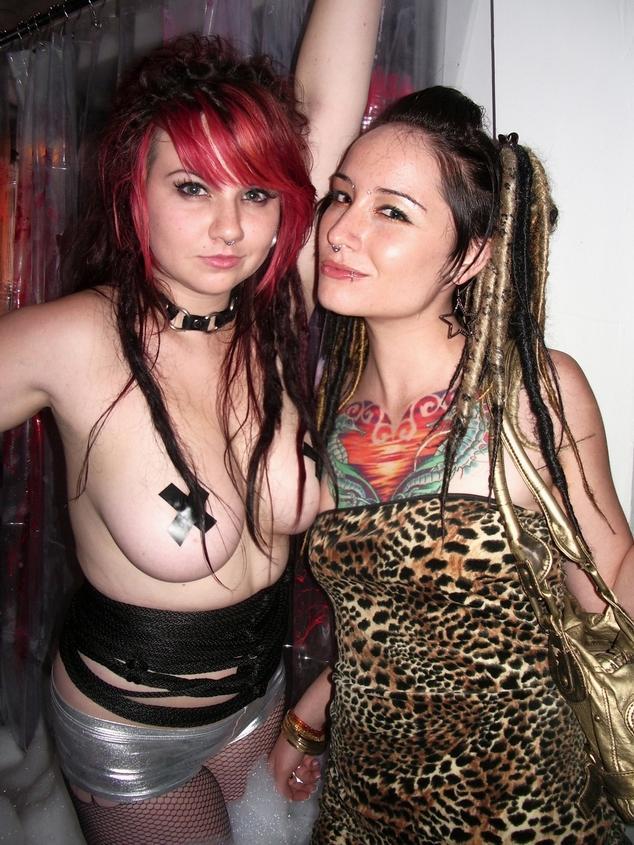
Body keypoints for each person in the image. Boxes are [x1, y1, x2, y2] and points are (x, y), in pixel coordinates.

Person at [0, 3, 382, 843]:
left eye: (256, 192)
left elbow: (323, 102)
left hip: (263, 700)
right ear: (134, 187)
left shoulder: (277, 313)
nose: (230, 227)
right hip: (135, 739)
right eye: (192, 186)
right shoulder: (72, 340)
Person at [270, 86, 634, 842]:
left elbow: (611, 585)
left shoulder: (533, 391)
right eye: (343, 196)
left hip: (521, 809)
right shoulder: (326, 400)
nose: (340, 229)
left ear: (470, 255)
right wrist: (307, 717)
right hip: (365, 805)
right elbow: (387, 626)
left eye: (392, 211)